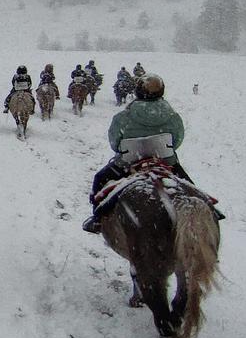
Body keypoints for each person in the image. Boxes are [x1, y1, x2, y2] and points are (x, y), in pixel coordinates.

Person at [82, 73, 193, 233]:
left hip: (128, 164)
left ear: (138, 91)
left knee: (100, 179)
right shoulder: (173, 117)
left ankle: (98, 218)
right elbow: (177, 140)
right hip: (166, 162)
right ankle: (208, 210)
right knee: (191, 190)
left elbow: (115, 143)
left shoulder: (123, 117)